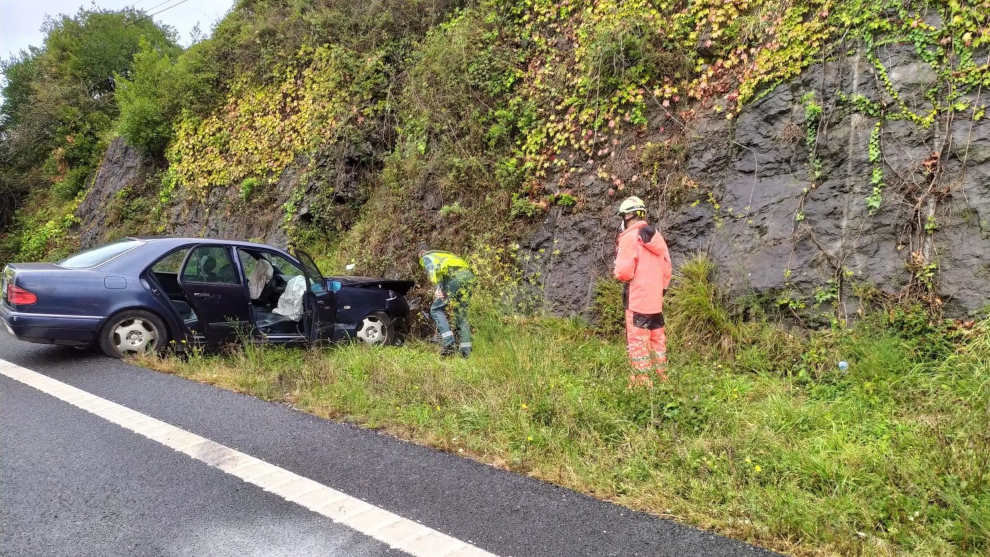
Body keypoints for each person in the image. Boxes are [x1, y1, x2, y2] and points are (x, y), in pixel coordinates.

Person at [613, 196, 672, 387]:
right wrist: (659, 291)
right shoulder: (657, 237)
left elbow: (623, 272)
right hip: (655, 301)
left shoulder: (629, 237)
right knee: (657, 343)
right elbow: (667, 268)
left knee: (638, 344)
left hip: (637, 300)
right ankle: (661, 380)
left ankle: (642, 387)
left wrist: (618, 270)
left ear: (628, 216)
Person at [419, 249, 475, 357]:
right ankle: (466, 351)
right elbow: (443, 273)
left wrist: (437, 289)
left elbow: (432, 271)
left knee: (435, 309)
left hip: (455, 279)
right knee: (461, 313)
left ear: (421, 254)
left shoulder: (427, 257)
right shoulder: (444, 255)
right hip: (469, 277)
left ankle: (449, 344)